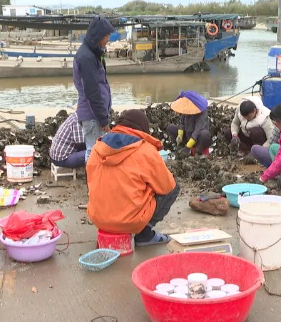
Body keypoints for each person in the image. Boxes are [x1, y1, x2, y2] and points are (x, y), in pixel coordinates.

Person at [86, 109, 179, 246]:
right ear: (143, 128)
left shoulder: (97, 148)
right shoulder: (145, 150)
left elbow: (91, 183)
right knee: (174, 186)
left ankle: (109, 226)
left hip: (99, 219)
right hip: (131, 222)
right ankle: (144, 234)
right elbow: (167, 186)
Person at [73, 16, 115, 162]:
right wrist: (103, 119)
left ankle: (97, 183)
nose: (109, 39)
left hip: (94, 114)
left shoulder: (93, 53)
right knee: (93, 153)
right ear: (99, 36)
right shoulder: (86, 57)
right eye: (107, 35)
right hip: (92, 116)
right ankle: (93, 183)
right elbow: (92, 92)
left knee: (97, 152)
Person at [166, 91, 212, 157]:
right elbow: (181, 123)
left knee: (205, 134)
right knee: (170, 128)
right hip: (187, 135)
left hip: (198, 140)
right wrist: (180, 135)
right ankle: (180, 147)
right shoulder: (186, 110)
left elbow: (197, 131)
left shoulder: (202, 113)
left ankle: (198, 152)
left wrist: (188, 147)